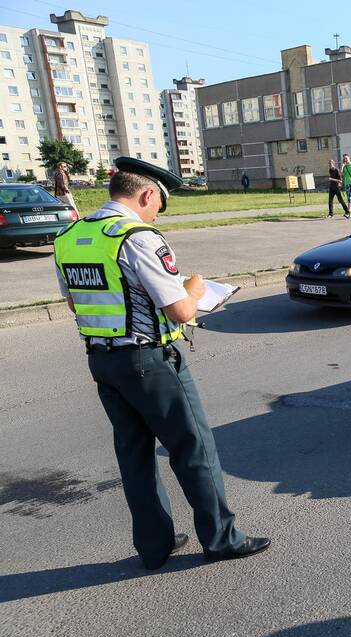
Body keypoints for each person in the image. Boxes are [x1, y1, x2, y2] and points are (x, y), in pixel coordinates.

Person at [52, 157, 270, 569]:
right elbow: (181, 311)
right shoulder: (137, 237)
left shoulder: (68, 236)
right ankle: (221, 539)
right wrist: (195, 287)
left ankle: (154, 546)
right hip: (150, 361)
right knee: (194, 449)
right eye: (157, 206)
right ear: (147, 194)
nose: (156, 214)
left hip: (102, 360)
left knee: (133, 455)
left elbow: (73, 302)